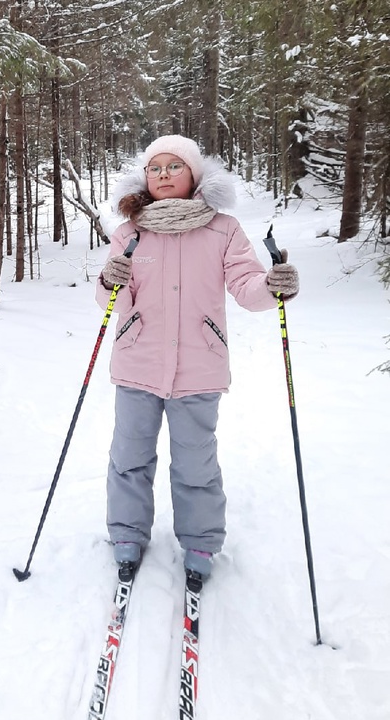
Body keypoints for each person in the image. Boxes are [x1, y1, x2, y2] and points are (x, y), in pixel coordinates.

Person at [97, 134, 299, 580]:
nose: (164, 174)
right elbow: (114, 299)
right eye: (155, 167)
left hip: (199, 369)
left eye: (175, 166)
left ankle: (202, 543)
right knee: (129, 457)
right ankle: (127, 534)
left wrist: (272, 286)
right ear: (145, 177)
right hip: (137, 365)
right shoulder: (129, 233)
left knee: (196, 464)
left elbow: (247, 286)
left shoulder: (222, 229)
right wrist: (109, 282)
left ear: (194, 175)